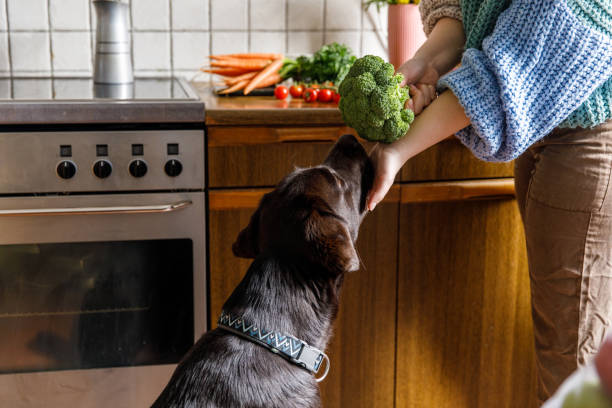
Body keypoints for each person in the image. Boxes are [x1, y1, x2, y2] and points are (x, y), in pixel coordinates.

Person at [365, 0, 612, 405]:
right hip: (540, 133)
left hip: (588, 136)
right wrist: (426, 61)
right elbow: (471, 10)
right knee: (562, 343)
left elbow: (515, 67)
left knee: (572, 361)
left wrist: (398, 151)